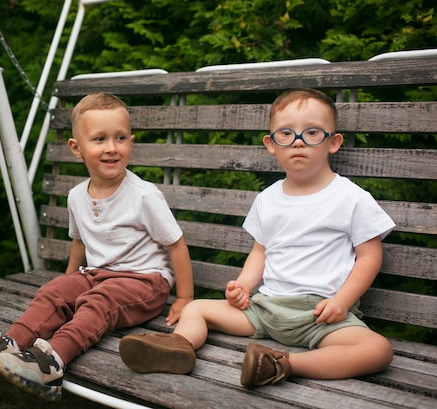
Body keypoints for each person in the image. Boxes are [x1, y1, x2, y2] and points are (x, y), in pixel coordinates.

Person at [119, 88, 396, 388]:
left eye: (312, 132)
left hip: (321, 316)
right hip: (265, 310)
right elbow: (260, 252)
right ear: (271, 144)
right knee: (195, 308)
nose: (298, 141)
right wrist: (243, 285)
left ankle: (280, 364)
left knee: (378, 350)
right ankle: (177, 347)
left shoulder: (351, 198)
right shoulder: (268, 199)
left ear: (334, 142)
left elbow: (370, 256)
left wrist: (343, 300)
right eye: (286, 134)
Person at [0, 92, 194, 401]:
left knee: (100, 300)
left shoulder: (144, 195)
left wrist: (184, 298)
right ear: (77, 148)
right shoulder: (77, 196)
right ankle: (7, 345)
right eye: (99, 139)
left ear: (131, 141)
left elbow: (176, 243)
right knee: (53, 292)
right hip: (97, 274)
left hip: (145, 282)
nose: (112, 148)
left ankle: (51, 363)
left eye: (120, 138)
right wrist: (68, 282)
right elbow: (79, 240)